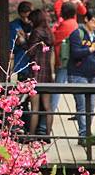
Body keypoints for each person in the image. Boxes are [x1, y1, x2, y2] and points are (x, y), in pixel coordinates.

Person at [67, 9, 95, 146]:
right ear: (86, 19)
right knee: (82, 107)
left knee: (91, 107)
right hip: (77, 74)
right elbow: (75, 53)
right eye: (93, 21)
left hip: (93, 75)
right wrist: (92, 48)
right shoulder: (77, 33)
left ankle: (87, 134)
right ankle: (84, 135)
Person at [25, 9, 55, 142]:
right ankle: (47, 135)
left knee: (35, 107)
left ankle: (31, 135)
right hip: (47, 72)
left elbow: (30, 52)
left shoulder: (36, 32)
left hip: (36, 73)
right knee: (48, 106)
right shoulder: (49, 32)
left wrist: (24, 39)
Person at [51, 1, 79, 113]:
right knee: (77, 90)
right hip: (74, 61)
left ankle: (49, 113)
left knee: (57, 88)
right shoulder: (75, 23)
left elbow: (54, 39)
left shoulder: (66, 24)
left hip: (64, 61)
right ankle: (79, 112)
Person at [9, 1, 33, 80]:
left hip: (34, 62)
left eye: (28, 17)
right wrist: (17, 43)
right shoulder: (14, 26)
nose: (26, 20)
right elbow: (11, 47)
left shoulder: (36, 25)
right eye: (23, 17)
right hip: (21, 61)